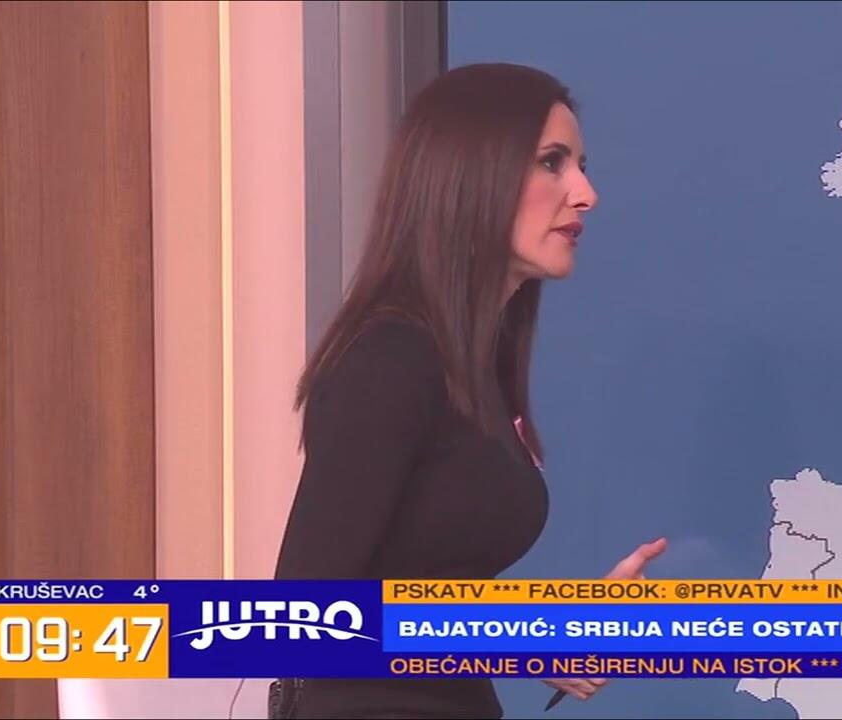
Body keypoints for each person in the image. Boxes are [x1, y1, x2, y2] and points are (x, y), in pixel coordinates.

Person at [272, 62, 668, 719]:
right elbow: (297, 620)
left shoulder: (473, 369)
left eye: (581, 165)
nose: (586, 193)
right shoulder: (390, 359)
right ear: (470, 176)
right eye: (552, 162)